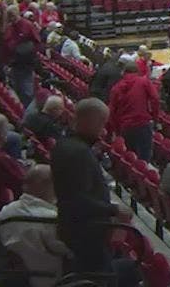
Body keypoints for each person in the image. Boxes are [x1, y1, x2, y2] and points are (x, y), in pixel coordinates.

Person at [51, 98, 134, 281]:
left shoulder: (65, 144)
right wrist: (114, 209)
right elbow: (78, 200)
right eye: (101, 123)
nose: (103, 130)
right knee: (98, 278)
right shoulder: (78, 152)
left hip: (78, 228)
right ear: (90, 120)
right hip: (87, 233)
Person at [0, 165, 69, 287]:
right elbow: (70, 250)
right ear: (49, 185)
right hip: (52, 279)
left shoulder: (7, 210)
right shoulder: (49, 219)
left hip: (18, 276)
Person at [108, 60, 159, 162]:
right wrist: (154, 118)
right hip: (142, 123)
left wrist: (117, 130)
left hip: (125, 126)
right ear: (137, 71)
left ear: (123, 72)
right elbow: (155, 98)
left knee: (131, 157)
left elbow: (112, 111)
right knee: (144, 158)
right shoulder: (144, 81)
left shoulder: (116, 87)